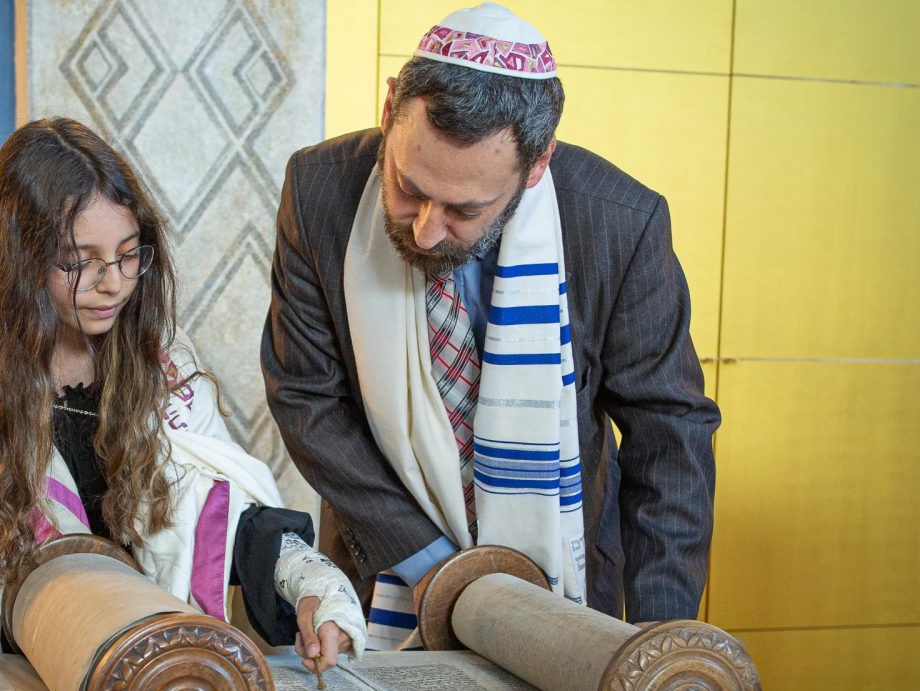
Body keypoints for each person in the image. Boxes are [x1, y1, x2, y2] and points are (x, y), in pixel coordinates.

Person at [261, 3, 721, 649]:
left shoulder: (620, 222)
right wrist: (433, 569)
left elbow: (667, 430)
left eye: (465, 209)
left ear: (537, 165)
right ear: (392, 105)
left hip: (567, 563)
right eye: (407, 186)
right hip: (388, 560)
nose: (424, 228)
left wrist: (662, 630)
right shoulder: (319, 188)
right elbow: (307, 394)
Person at [0, 117, 365, 670]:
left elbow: (214, 512)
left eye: (127, 254)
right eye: (79, 261)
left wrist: (309, 580)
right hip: (5, 660)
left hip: (134, 656)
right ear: (19, 258)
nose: (114, 282)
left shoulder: (159, 356)